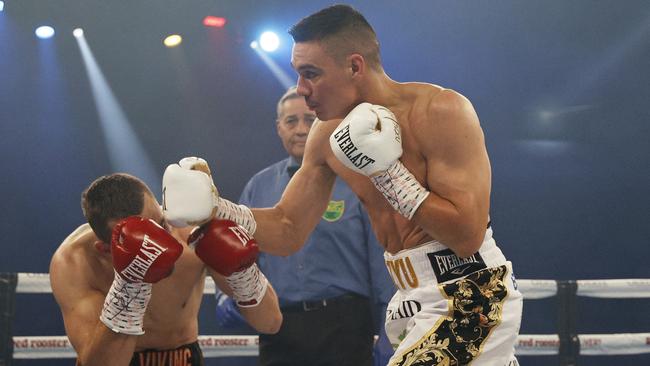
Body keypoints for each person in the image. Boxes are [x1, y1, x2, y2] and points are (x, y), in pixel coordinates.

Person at [163, 4, 522, 366]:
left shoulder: (439, 111)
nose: (301, 89)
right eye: (298, 74)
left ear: (354, 66)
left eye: (311, 74)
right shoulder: (326, 133)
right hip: (409, 295)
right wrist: (215, 209)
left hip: (470, 291)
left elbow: (467, 235)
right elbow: (288, 228)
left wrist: (386, 173)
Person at [213, 86, 396, 366]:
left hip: (344, 325)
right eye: (291, 121)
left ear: (323, 124)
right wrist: (228, 295)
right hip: (278, 327)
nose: (300, 129)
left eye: (309, 121)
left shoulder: (355, 180)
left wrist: (389, 330)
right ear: (278, 128)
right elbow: (233, 251)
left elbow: (382, 262)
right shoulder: (259, 186)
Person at [50, 173, 282, 366]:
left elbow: (271, 322)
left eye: (161, 224)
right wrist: (130, 283)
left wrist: (245, 273)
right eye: (145, 239)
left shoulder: (191, 234)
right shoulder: (75, 261)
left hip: (184, 356)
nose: (162, 240)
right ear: (104, 249)